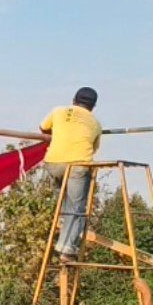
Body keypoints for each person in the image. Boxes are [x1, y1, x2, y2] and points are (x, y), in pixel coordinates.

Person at [39, 87, 101, 262]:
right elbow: (94, 148)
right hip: (78, 165)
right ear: (93, 106)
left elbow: (43, 128)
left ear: (74, 100)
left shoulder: (58, 111)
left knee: (65, 205)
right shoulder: (95, 123)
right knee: (76, 209)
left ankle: (63, 238)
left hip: (54, 163)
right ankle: (66, 249)